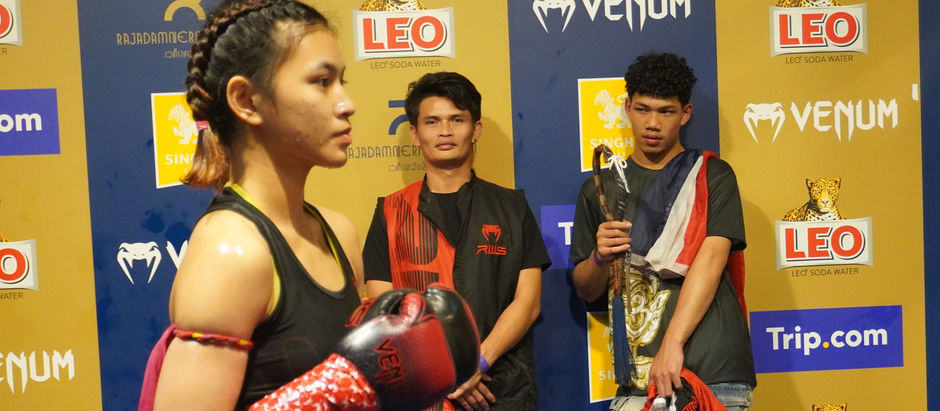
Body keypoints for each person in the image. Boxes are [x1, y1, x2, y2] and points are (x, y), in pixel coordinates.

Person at [146, 2, 477, 410]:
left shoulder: (337, 232)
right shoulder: (231, 250)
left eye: (341, 81)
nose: (346, 103)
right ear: (246, 99)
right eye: (322, 81)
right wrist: (336, 388)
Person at [569, 52, 756, 411]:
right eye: (642, 109)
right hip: (638, 380)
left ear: (685, 113)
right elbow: (586, 289)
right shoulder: (599, 188)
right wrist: (599, 257)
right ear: (627, 107)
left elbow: (713, 258)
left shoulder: (711, 176)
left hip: (712, 372)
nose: (652, 123)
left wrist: (673, 345)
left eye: (665, 111)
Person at [362, 72, 552, 411]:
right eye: (432, 121)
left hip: (500, 391)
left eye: (457, 120)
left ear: (475, 130)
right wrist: (439, 371)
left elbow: (528, 302)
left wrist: (475, 363)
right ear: (415, 134)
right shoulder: (389, 211)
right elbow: (381, 309)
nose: (445, 131)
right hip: (421, 394)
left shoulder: (512, 207)